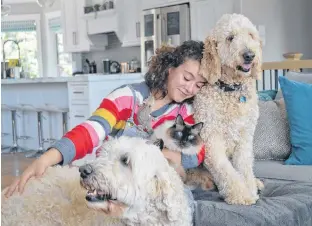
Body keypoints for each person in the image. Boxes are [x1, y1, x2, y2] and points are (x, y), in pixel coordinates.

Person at [4, 40, 207, 217]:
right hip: (108, 182)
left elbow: (196, 155)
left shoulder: (186, 113)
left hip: (144, 194)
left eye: (198, 85)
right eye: (187, 78)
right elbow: (92, 130)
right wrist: (46, 159)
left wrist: (161, 154)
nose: (190, 89)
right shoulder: (127, 98)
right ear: (170, 68)